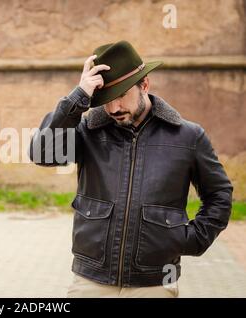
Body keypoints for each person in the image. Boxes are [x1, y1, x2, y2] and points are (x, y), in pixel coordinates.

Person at [28, 40, 233, 298]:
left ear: (144, 85)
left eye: (121, 95)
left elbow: (220, 195)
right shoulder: (90, 131)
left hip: (155, 282)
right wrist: (78, 97)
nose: (114, 108)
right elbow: (41, 153)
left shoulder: (188, 137)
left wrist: (191, 239)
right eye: (106, 99)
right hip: (91, 280)